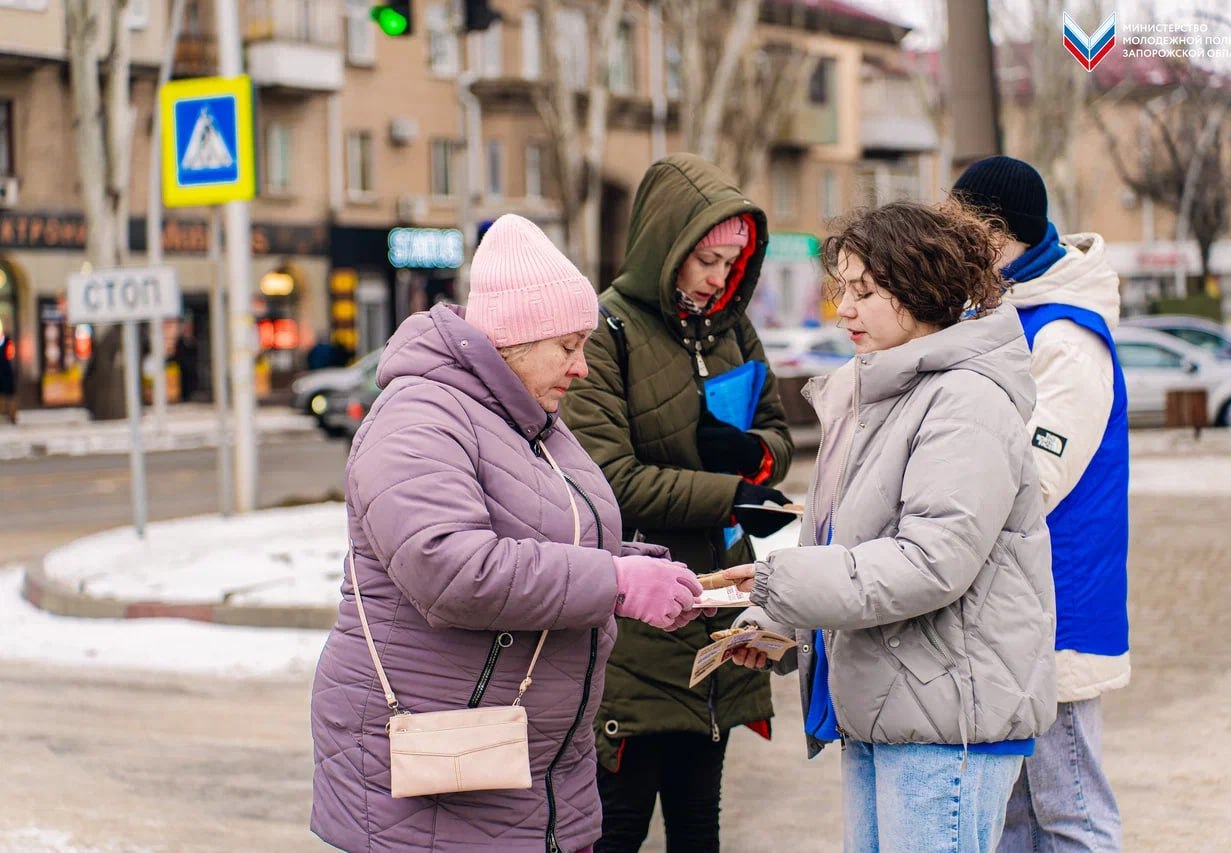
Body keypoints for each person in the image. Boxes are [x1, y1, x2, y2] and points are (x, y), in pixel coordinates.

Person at [310, 214, 710, 852]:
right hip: (440, 775)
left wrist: (648, 569)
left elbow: (551, 534)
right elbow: (449, 569)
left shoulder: (531, 418)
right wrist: (614, 582)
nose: (581, 368)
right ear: (514, 340)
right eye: (569, 345)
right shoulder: (419, 416)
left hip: (534, 769)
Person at [725, 200, 1057, 852]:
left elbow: (931, 560)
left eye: (865, 291)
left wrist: (783, 581)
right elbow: (850, 547)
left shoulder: (964, 399)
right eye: (841, 288)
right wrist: (784, 626)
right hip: (889, 705)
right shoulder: (878, 393)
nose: (844, 308)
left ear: (922, 291)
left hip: (947, 723)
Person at [560, 153, 796, 853]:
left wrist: (750, 455)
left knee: (699, 829)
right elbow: (609, 477)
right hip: (636, 621)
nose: (719, 279)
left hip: (718, 615)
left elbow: (782, 436)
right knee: (618, 827)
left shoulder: (732, 329)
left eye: (732, 263)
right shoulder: (608, 331)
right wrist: (732, 493)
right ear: (666, 246)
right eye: (706, 261)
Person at [953, 155, 1129, 853]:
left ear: (998, 236)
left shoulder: (1065, 334)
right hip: (1016, 594)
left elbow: (1038, 474)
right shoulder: (1002, 316)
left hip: (1059, 598)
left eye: (964, 234)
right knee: (1018, 814)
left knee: (1071, 808)